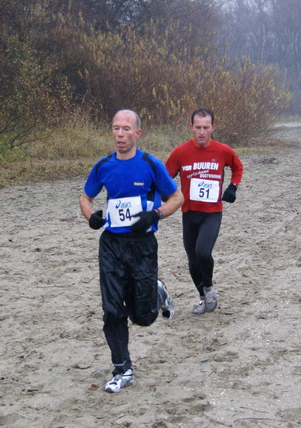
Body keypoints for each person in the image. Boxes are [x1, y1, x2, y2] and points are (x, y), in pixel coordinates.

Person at [79, 109, 184, 393]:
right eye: (116, 129)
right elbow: (85, 197)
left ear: (137, 133)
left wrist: (157, 214)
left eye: (126, 129)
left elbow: (177, 196)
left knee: (144, 317)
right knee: (113, 311)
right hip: (112, 245)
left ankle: (158, 292)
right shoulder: (103, 166)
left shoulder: (150, 164)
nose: (120, 134)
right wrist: (91, 217)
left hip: (142, 246)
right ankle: (122, 369)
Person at [165, 109, 244, 315]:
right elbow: (165, 178)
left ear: (213, 128)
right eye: (197, 127)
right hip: (189, 213)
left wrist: (232, 187)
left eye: (206, 128)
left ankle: (209, 288)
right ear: (191, 128)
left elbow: (238, 168)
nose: (201, 132)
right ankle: (203, 297)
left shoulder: (223, 150)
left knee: (203, 252)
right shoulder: (180, 152)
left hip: (211, 213)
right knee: (192, 261)